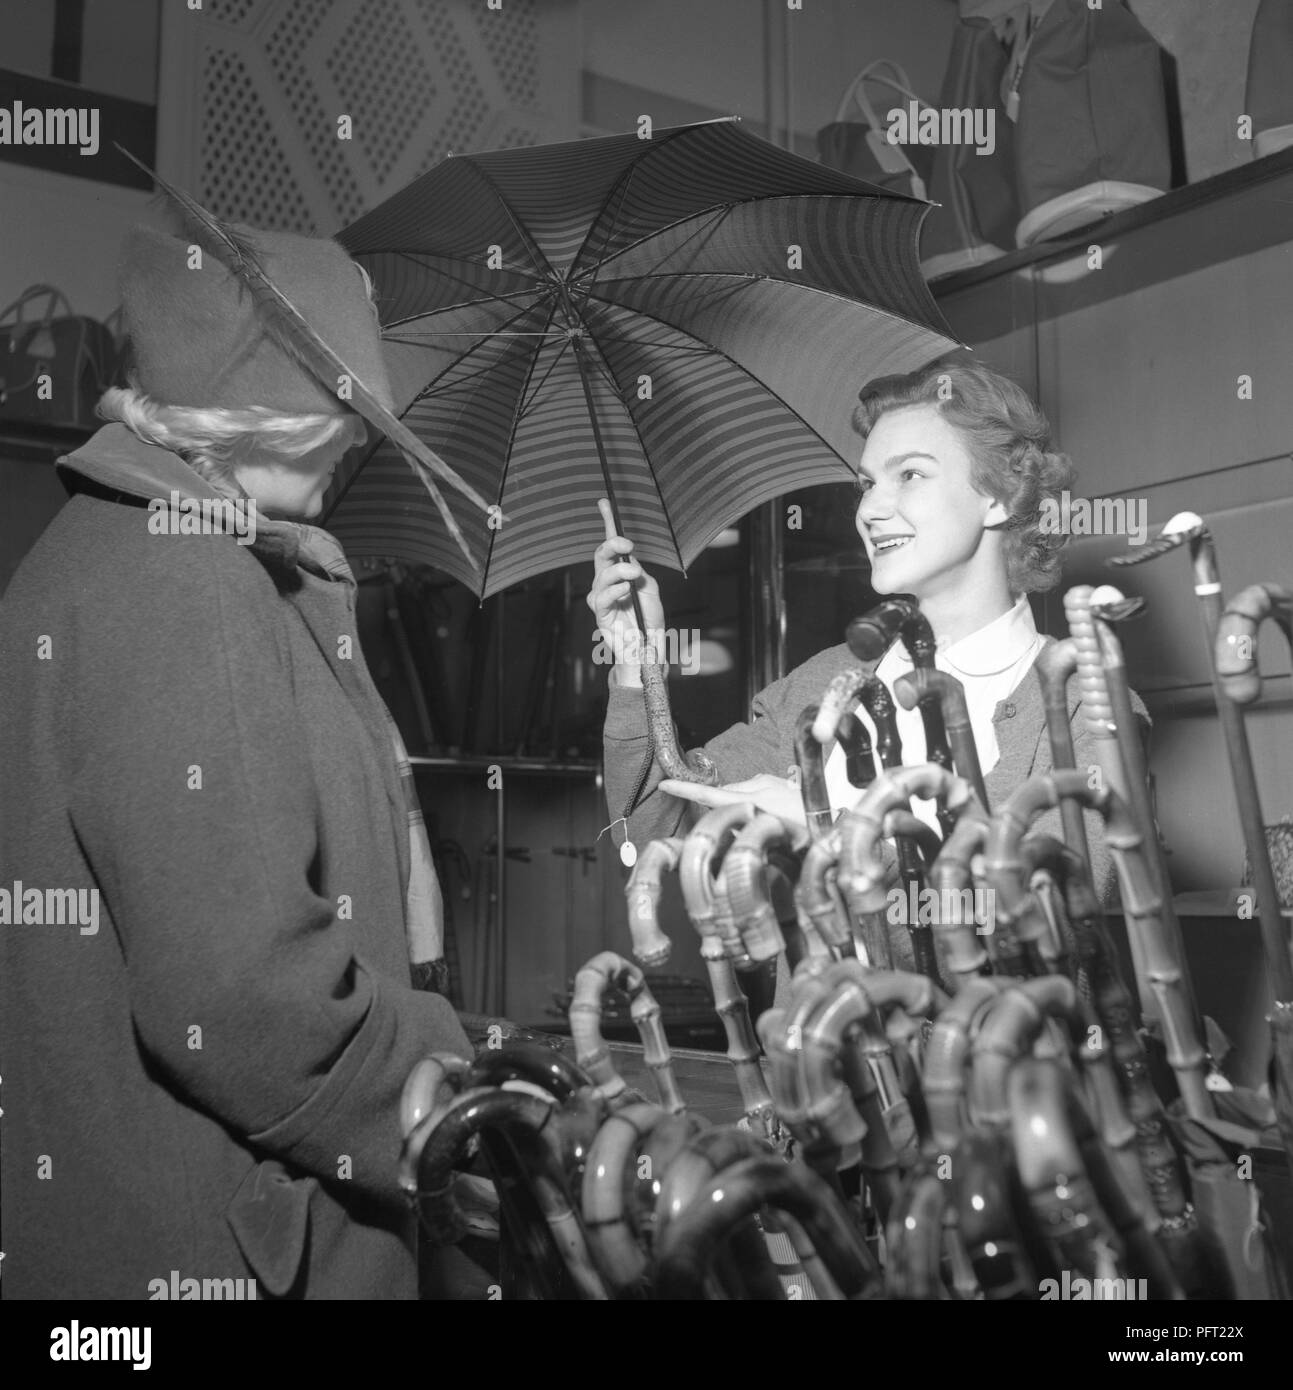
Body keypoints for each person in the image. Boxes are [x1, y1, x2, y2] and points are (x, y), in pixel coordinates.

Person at [0, 218, 483, 1299]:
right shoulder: (187, 584)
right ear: (259, 417)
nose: (363, 442)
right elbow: (249, 1000)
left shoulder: (100, 552)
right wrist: (458, 1078)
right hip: (220, 1253)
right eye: (347, 417)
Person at [589, 360, 1148, 966]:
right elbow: (661, 824)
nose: (870, 510)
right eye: (866, 484)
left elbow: (1045, 933)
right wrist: (636, 660)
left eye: (909, 475)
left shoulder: (1080, 700)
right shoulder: (823, 683)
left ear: (1000, 497)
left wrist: (833, 836)